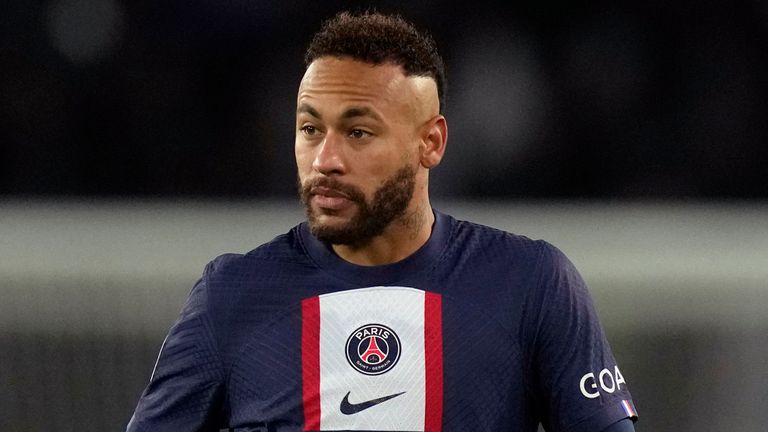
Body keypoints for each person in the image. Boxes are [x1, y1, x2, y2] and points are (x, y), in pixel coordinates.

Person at [127, 11, 638, 432]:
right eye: (310, 128)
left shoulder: (531, 283)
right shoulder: (232, 295)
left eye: (359, 132)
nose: (325, 158)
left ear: (431, 143)